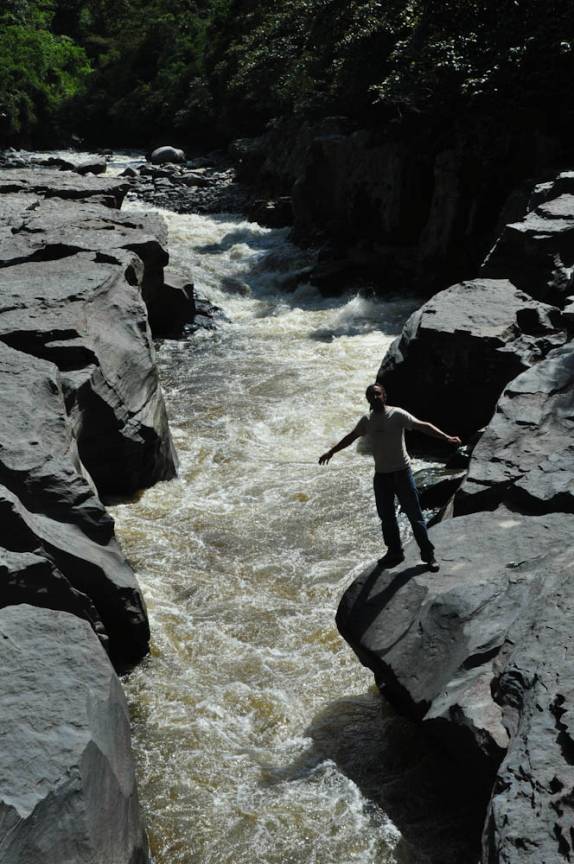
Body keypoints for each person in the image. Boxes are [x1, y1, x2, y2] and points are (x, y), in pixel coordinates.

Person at [318, 383, 461, 571]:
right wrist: (331, 451)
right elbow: (351, 437)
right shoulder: (367, 420)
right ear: (367, 399)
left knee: (415, 515)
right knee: (386, 517)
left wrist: (447, 437)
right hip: (381, 476)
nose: (375, 397)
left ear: (384, 396)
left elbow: (422, 426)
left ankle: (428, 555)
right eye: (371, 395)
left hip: (402, 473)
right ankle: (395, 552)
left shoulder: (397, 414)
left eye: (378, 394)